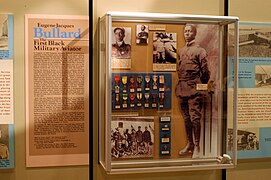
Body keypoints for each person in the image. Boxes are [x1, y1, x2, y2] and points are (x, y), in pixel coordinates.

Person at [176, 24, 210, 158]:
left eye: (190, 31)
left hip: (194, 90)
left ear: (194, 34)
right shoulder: (180, 51)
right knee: (186, 119)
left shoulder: (200, 51)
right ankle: (189, 144)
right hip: (181, 89)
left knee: (195, 118)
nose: (187, 33)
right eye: (185, 31)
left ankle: (197, 146)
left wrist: (200, 85)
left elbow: (205, 72)